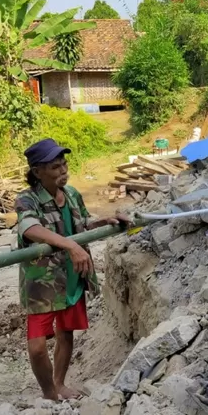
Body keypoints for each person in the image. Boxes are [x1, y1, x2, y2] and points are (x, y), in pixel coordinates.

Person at [15, 138, 131, 401]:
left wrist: (105, 219)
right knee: (36, 347)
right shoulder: (27, 199)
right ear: (37, 172)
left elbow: (82, 221)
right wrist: (69, 246)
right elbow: (29, 229)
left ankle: (60, 383)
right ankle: (49, 394)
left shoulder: (72, 194)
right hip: (43, 282)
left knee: (65, 332)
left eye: (64, 164)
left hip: (72, 274)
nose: (63, 171)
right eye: (55, 167)